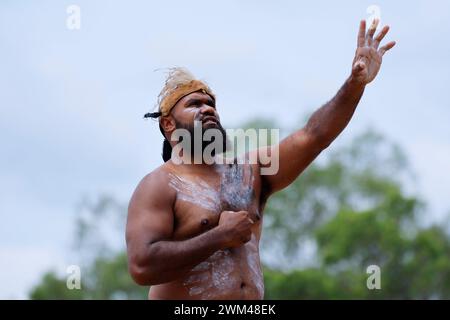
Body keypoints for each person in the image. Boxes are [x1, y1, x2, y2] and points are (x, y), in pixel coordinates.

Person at [126, 19, 395, 300]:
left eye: (211, 104)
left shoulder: (249, 172)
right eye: (195, 104)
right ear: (168, 125)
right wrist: (218, 236)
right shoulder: (159, 185)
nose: (208, 109)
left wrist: (355, 84)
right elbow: (142, 266)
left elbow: (313, 136)